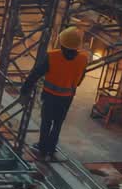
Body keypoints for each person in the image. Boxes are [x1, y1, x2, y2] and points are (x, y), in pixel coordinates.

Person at [20, 26, 89, 160]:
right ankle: (51, 148)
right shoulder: (83, 59)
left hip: (50, 96)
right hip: (67, 98)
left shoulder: (52, 56)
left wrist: (25, 90)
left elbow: (36, 74)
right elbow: (80, 80)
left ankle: (42, 147)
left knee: (46, 122)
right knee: (58, 123)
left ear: (61, 42)